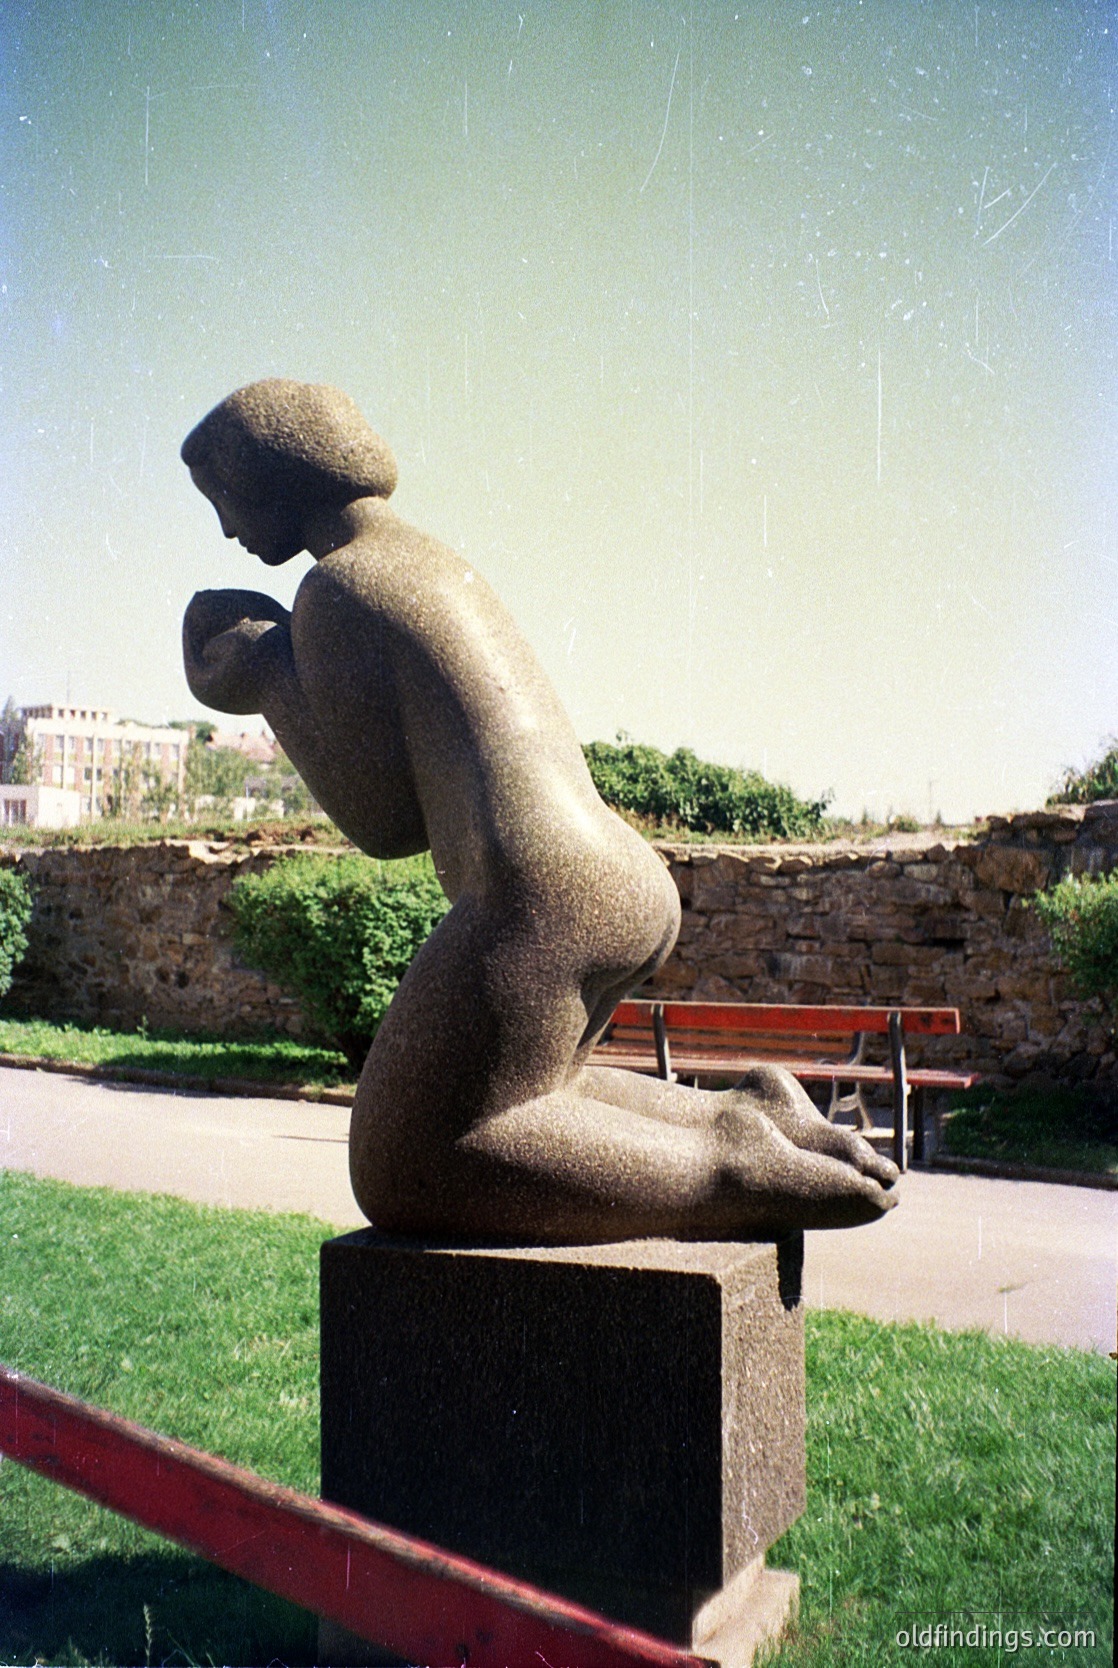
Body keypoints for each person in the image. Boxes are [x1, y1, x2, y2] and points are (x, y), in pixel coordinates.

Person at [182, 378, 897, 1244]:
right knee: (530, 1097)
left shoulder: (338, 589)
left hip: (537, 895)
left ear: (276, 473)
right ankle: (741, 1113)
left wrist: (262, 677)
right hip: (617, 876)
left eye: (224, 498)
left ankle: (733, 1169)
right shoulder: (429, 564)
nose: (225, 528)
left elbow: (381, 823)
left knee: (408, 1158)